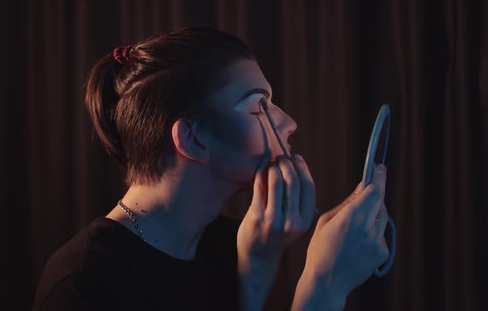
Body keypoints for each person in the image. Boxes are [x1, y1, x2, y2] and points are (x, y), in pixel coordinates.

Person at [32, 27, 389, 311]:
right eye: (258, 107)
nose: (289, 122)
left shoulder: (238, 244)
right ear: (192, 138)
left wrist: (258, 268)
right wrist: (324, 287)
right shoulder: (85, 284)